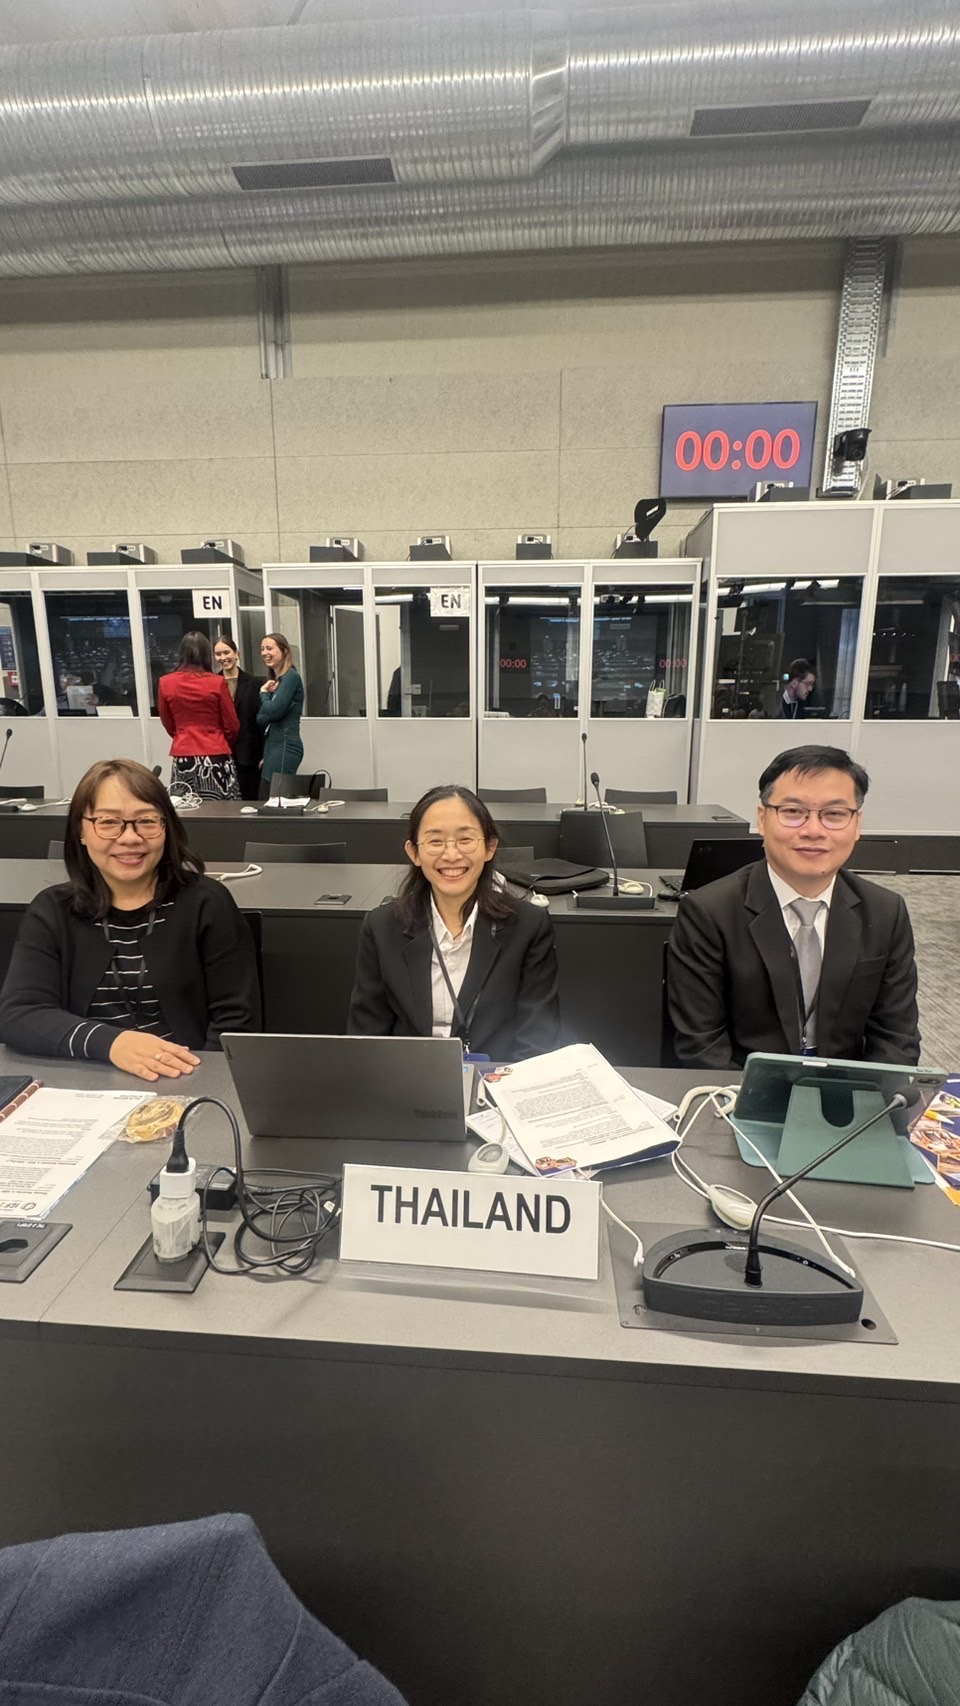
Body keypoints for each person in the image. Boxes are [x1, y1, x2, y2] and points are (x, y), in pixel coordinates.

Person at [0, 757, 260, 1081]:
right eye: (108, 822)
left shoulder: (207, 904)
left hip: (185, 1082)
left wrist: (199, 1082)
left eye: (146, 821)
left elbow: (236, 1023)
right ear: (81, 830)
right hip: (80, 1086)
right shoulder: (53, 910)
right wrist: (112, 1044)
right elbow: (20, 1014)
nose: (130, 838)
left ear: (166, 828)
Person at [666, 745, 920, 1069]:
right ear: (762, 819)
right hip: (741, 1086)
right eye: (793, 812)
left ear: (856, 824)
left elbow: (896, 1040)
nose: (813, 831)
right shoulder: (709, 913)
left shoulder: (885, 912)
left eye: (834, 814)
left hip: (847, 1087)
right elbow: (701, 1047)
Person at [348, 784, 560, 1061]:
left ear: (490, 847)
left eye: (465, 839)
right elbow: (367, 1040)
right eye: (435, 842)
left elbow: (538, 1044)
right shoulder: (382, 927)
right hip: (409, 1079)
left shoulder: (528, 926)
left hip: (500, 1080)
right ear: (414, 852)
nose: (451, 855)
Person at [157, 631, 240, 800]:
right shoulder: (217, 682)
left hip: (183, 753)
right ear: (206, 654)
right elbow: (232, 725)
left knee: (185, 808)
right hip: (216, 753)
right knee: (222, 810)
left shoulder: (165, 682)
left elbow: (167, 722)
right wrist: (220, 740)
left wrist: (182, 735)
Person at [213, 633, 264, 801]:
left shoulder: (255, 683)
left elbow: (261, 721)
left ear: (236, 654)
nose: (223, 657)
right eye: (218, 654)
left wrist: (265, 753)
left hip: (250, 755)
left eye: (226, 652)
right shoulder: (212, 684)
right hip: (221, 754)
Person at [258, 631, 304, 795]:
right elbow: (261, 719)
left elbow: (274, 712)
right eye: (262, 649)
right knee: (264, 796)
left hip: (286, 747)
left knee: (276, 799)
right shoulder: (276, 682)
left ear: (284, 651)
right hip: (272, 748)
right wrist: (269, 702)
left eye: (269, 648)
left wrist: (263, 694)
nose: (265, 653)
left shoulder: (291, 677)